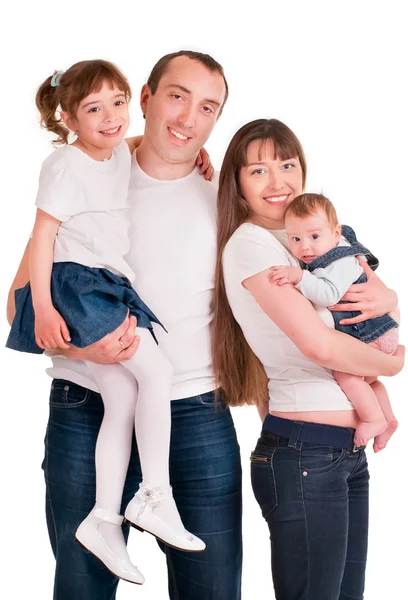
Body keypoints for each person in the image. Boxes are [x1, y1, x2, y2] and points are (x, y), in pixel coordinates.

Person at [7, 51, 242, 600]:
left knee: (212, 587)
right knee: (83, 586)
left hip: (196, 413)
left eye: (206, 107)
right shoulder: (90, 174)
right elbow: (20, 305)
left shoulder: (225, 199)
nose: (187, 119)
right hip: (87, 405)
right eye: (177, 96)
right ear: (146, 98)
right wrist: (89, 350)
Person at [213, 118, 404, 599]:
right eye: (257, 171)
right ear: (236, 184)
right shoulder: (252, 245)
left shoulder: (304, 242)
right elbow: (319, 345)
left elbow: (362, 293)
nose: (277, 181)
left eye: (287, 164)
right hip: (305, 453)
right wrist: (395, 363)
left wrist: (390, 298)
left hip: (343, 453)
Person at [268, 192, 399, 452]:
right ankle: (388, 420)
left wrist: (299, 278)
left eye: (314, 237)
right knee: (369, 382)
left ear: (336, 234)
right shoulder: (328, 255)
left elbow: (328, 294)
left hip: (369, 332)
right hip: (376, 332)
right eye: (295, 239)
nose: (305, 247)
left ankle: (373, 419)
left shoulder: (339, 261)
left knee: (345, 374)